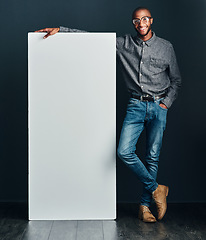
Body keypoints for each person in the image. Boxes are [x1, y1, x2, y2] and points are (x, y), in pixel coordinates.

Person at [35, 6, 181, 223]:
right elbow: (92, 39)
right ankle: (156, 189)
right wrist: (61, 30)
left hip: (159, 106)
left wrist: (166, 104)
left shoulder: (165, 47)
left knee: (152, 157)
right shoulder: (123, 44)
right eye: (136, 21)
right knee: (124, 152)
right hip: (136, 105)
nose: (140, 24)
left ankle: (144, 206)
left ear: (151, 21)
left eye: (144, 19)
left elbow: (176, 80)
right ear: (133, 23)